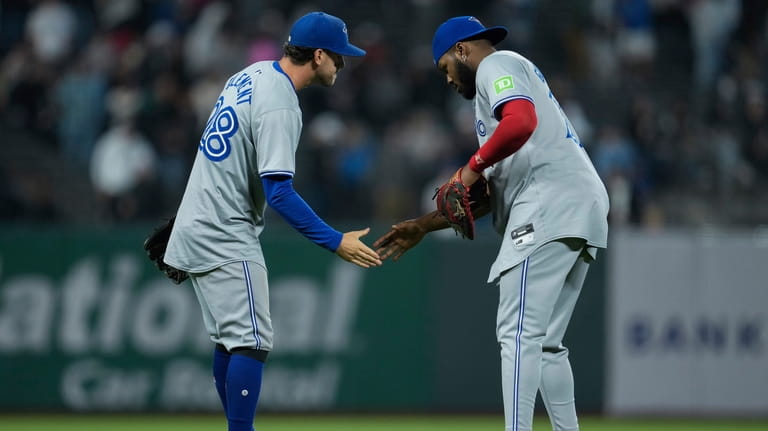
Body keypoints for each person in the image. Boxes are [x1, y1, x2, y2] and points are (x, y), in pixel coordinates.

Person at [374, 16, 609, 431]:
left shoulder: (495, 67)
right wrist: (424, 226)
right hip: (578, 203)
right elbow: (487, 196)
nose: (446, 79)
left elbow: (521, 122)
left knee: (518, 333)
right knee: (547, 343)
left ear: (462, 50)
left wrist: (469, 167)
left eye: (444, 66)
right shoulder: (499, 99)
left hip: (548, 202)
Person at [163, 12, 382, 431]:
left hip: (198, 220)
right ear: (318, 56)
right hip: (225, 230)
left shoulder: (251, 74)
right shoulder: (281, 99)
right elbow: (279, 192)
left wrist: (189, 218)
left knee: (230, 340)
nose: (342, 65)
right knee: (251, 341)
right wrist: (335, 240)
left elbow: (219, 154)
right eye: (339, 57)